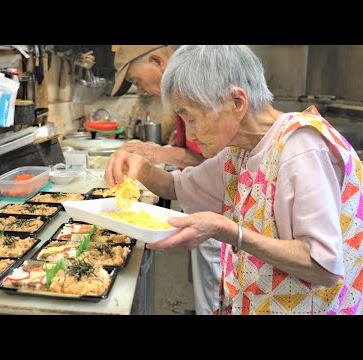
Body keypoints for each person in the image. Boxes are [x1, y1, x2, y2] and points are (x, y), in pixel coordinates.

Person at [105, 45, 363, 315]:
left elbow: (323, 266)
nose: (190, 136)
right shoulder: (239, 151)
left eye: (191, 118)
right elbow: (175, 186)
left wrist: (230, 232)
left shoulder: (301, 148)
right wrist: (141, 167)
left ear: (237, 102)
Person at [112, 45, 221, 315]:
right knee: (208, 293)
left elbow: (220, 161)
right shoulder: (183, 93)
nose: (141, 90)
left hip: (220, 212)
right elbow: (180, 180)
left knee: (216, 294)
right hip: (202, 204)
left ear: (157, 61)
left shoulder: (199, 86)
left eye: (137, 80)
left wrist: (160, 152)